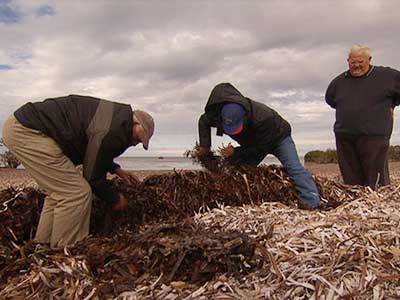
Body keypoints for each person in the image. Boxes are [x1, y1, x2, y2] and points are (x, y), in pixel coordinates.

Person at [2, 95, 154, 248]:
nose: (137, 143)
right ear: (136, 122)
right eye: (140, 138)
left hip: (21, 126)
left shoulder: (116, 118)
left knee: (59, 193)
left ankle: (42, 246)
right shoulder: (115, 129)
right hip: (28, 131)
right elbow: (92, 176)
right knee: (76, 193)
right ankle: (64, 252)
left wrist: (116, 169)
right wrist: (115, 199)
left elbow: (95, 153)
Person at [197, 82, 320, 209]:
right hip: (253, 141)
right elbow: (203, 121)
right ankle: (236, 199)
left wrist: (236, 152)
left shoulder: (262, 118)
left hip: (278, 137)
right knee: (238, 169)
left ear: (244, 117)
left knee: (293, 167)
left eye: (236, 128)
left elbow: (258, 148)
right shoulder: (215, 115)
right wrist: (205, 148)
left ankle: (311, 201)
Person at [326, 45, 400, 188]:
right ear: (348, 61)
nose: (356, 66)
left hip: (375, 135)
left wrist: (392, 104)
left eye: (360, 62)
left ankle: (378, 203)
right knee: (351, 181)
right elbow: (330, 99)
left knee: (376, 181)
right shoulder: (339, 81)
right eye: (353, 62)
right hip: (345, 136)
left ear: (369, 59)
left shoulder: (387, 76)